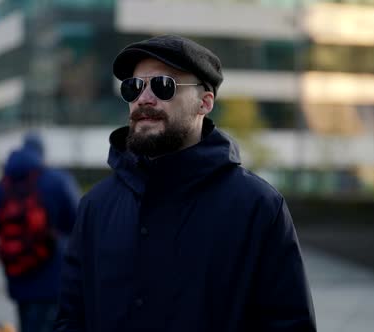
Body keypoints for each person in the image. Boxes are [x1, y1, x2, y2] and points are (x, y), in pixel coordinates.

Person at [55, 35, 316, 332]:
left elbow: (289, 324)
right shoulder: (96, 206)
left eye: (164, 85)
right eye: (134, 87)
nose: (144, 98)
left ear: (204, 103)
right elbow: (71, 318)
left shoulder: (258, 206)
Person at [0, 133, 80, 332]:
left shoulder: (2, 185)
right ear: (42, 153)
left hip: (17, 274)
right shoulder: (57, 181)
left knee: (26, 323)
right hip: (51, 275)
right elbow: (78, 223)